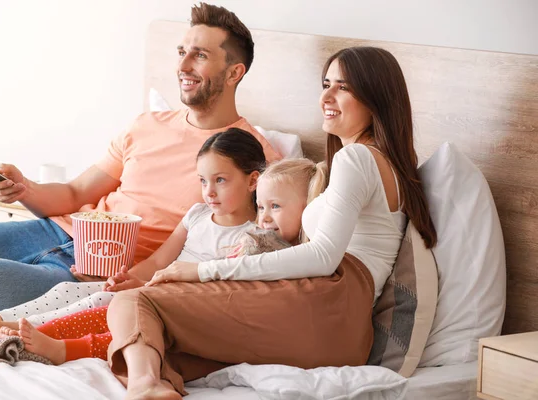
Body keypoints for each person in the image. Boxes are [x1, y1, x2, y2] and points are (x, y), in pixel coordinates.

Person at [105, 46, 438, 400]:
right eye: (326, 84)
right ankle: (152, 383)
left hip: (329, 305)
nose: (326, 96)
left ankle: (142, 387)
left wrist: (205, 271)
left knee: (136, 301)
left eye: (344, 87)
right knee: (165, 349)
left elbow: (323, 257)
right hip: (343, 333)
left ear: (376, 97)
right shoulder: (389, 166)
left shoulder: (357, 158)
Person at [0, 2, 280, 324]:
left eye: (200, 55)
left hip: (108, 269)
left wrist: (131, 277)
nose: (183, 65)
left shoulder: (254, 158)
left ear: (234, 72)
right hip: (57, 230)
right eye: (181, 52)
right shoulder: (147, 124)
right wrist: (23, 188)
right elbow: (74, 193)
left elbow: (248, 245)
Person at [0, 140, 327, 367]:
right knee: (78, 292)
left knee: (109, 315)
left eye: (220, 180)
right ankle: (2, 322)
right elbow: (157, 263)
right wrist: (127, 278)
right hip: (156, 288)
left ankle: (34, 336)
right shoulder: (197, 215)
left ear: (253, 181)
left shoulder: (258, 237)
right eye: (203, 180)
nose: (209, 191)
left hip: (180, 305)